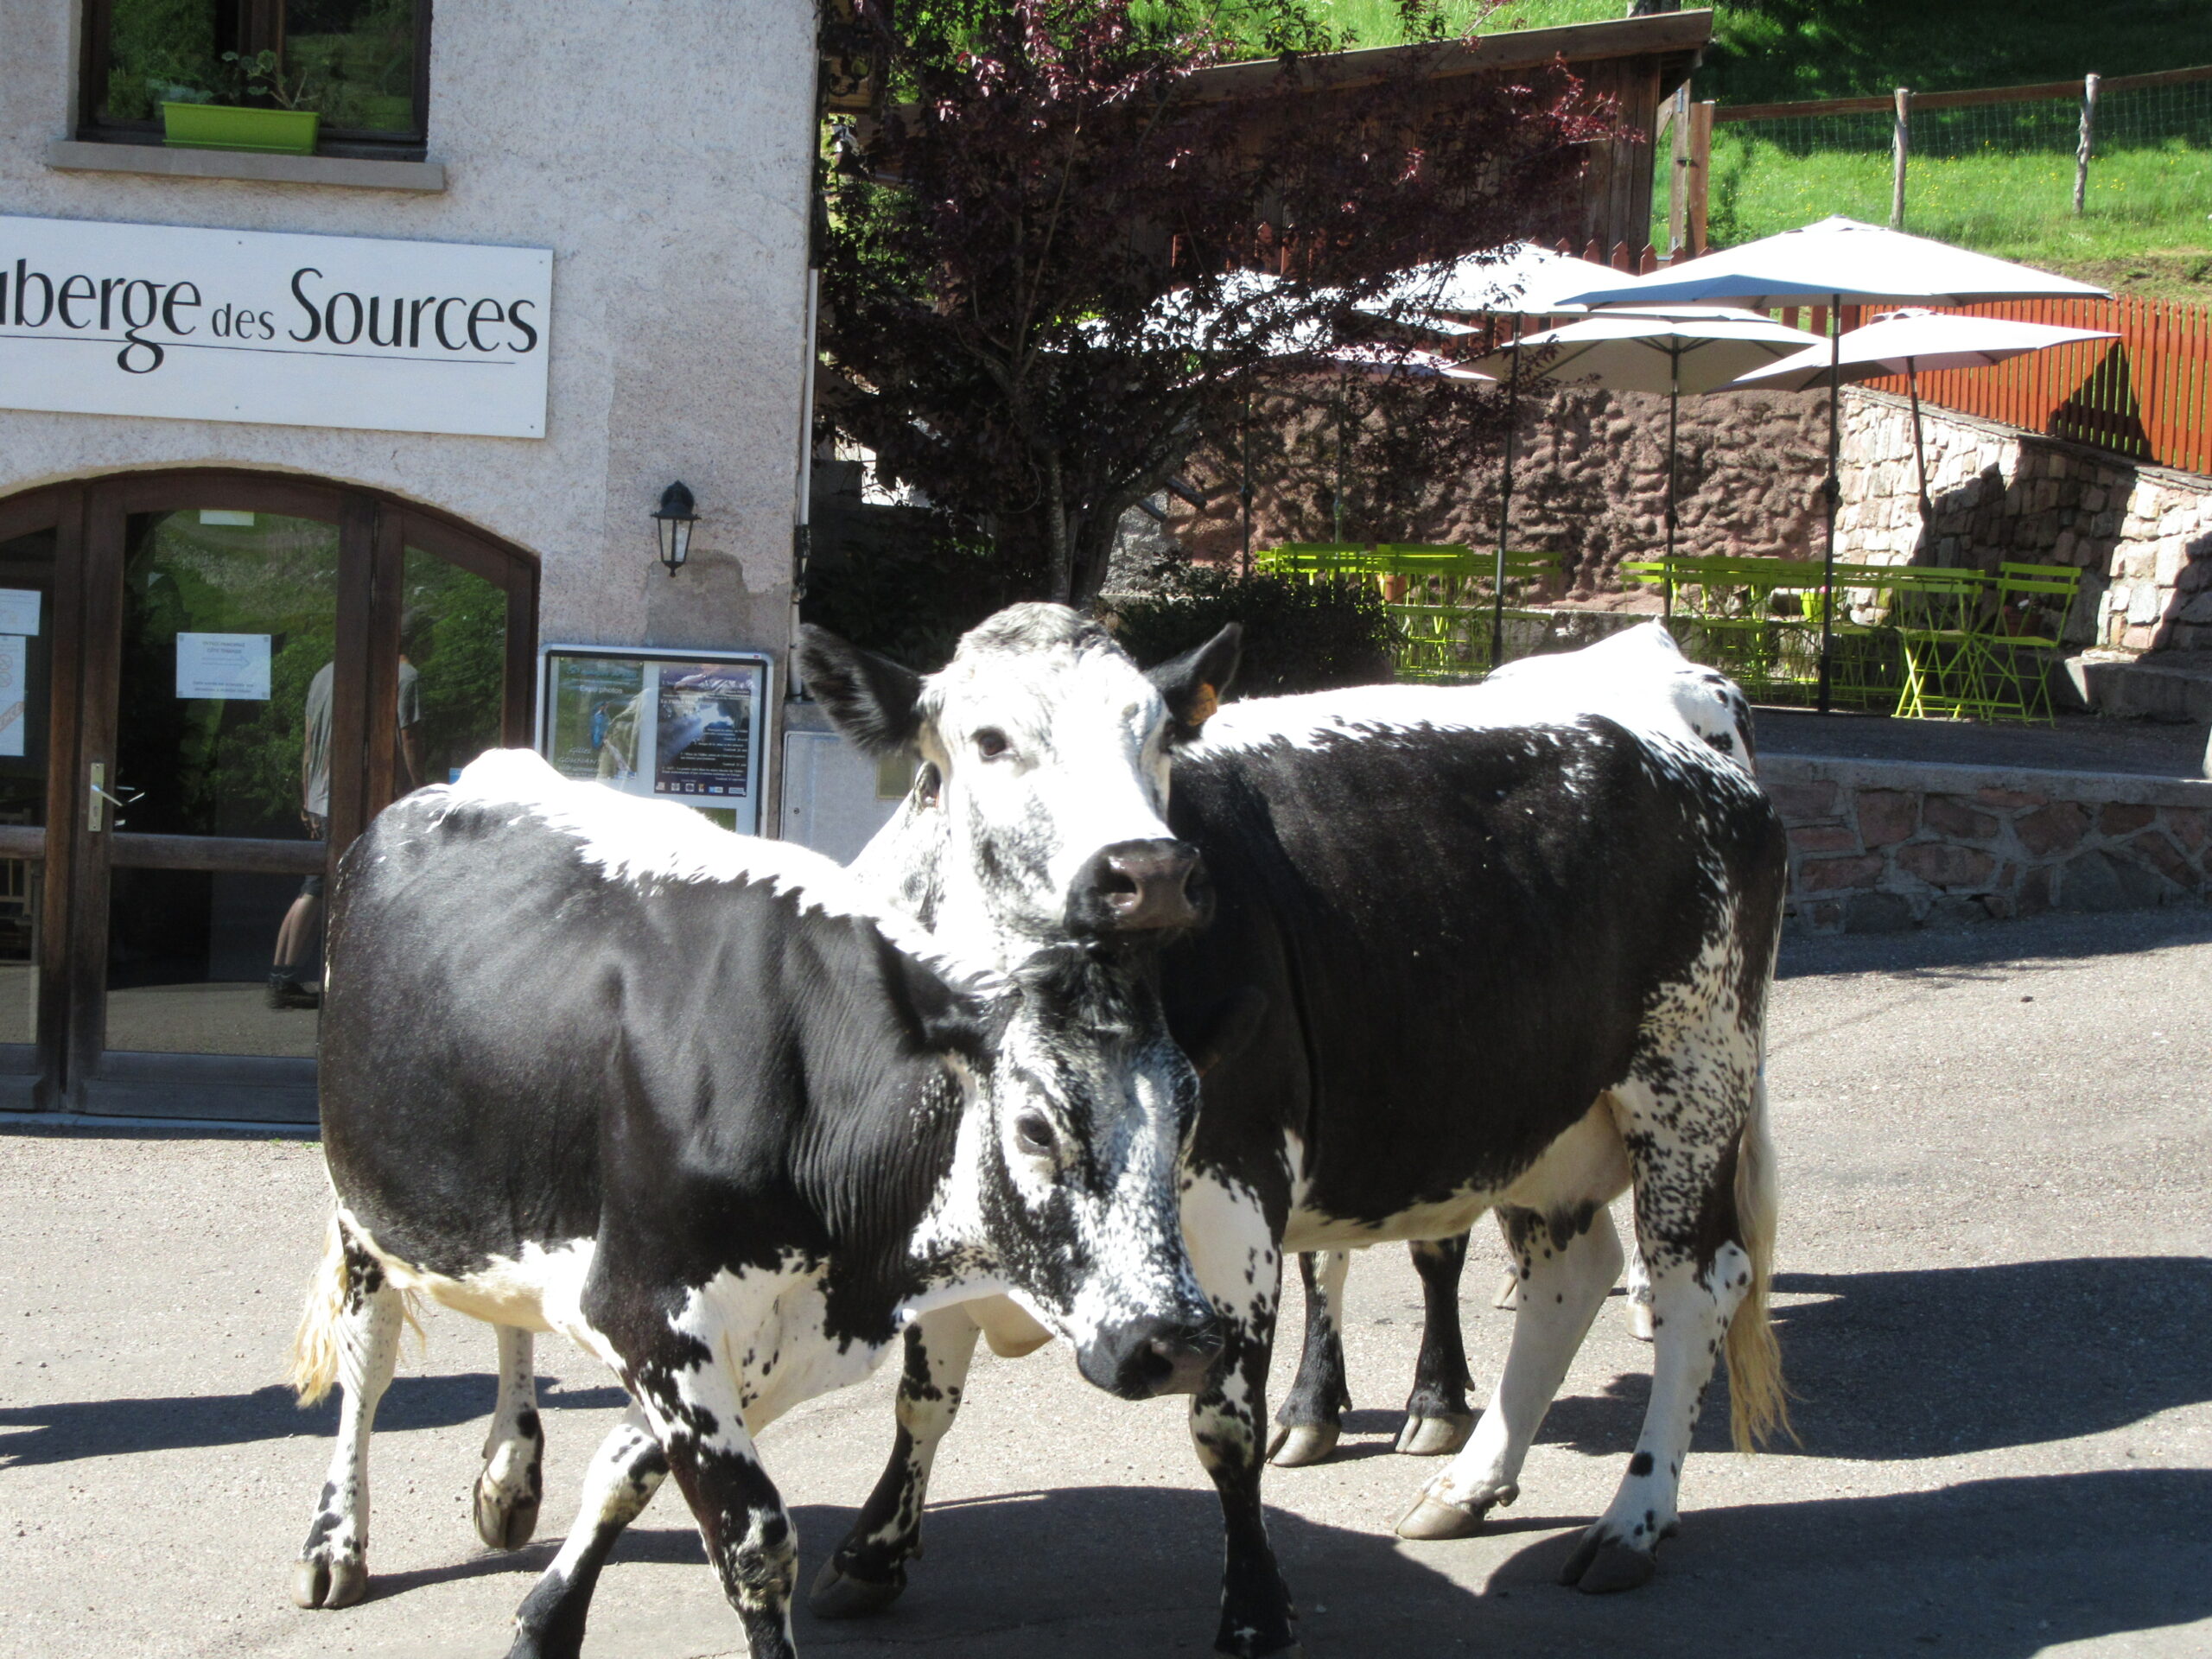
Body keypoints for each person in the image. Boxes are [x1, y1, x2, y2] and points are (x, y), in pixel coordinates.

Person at [268, 620, 425, 1010]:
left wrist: (308, 797)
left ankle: (281, 976)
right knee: (331, 889)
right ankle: (295, 980)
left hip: (322, 796)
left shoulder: (325, 674)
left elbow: (308, 743)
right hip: (359, 798)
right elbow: (406, 740)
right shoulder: (403, 675)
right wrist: (418, 794)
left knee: (313, 886)